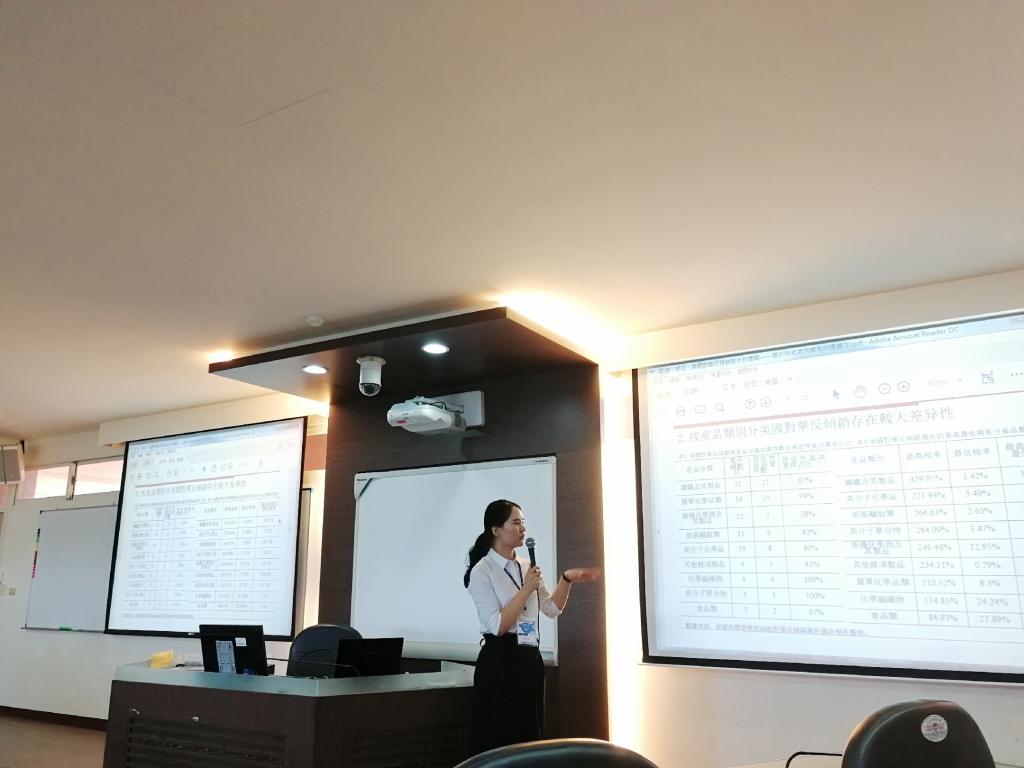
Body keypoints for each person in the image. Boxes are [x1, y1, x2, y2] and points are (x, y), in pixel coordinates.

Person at [464, 498, 599, 752]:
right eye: (516, 523)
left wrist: (566, 579)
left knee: (529, 735)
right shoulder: (483, 571)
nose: (523, 529)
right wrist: (526, 589)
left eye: (523, 522)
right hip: (500, 661)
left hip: (528, 658)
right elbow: (497, 625)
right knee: (499, 736)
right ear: (496, 530)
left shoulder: (527, 565)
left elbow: (551, 609)